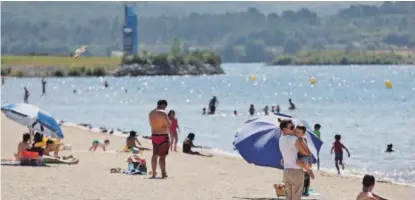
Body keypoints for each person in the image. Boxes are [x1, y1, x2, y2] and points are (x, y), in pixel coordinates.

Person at [279, 119, 309, 200]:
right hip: (296, 171)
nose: (294, 129)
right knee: (296, 196)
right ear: (285, 129)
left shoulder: (280, 139)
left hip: (286, 171)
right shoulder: (294, 139)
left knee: (288, 196)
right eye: (292, 127)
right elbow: (305, 152)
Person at [149, 100, 171, 178]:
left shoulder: (151, 113)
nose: (165, 108)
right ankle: (163, 173)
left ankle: (154, 173)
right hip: (163, 135)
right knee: (162, 157)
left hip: (154, 135)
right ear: (163, 105)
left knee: (154, 155)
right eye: (165, 106)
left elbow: (151, 124)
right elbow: (168, 125)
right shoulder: (163, 113)